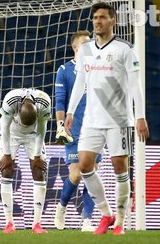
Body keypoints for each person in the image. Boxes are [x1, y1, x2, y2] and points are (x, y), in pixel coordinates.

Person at [65, 2, 149, 235]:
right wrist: (70, 111)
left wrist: (140, 117)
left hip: (118, 120)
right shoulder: (86, 49)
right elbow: (80, 82)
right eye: (95, 18)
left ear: (113, 21)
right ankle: (106, 213)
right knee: (84, 165)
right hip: (92, 119)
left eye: (102, 17)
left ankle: (120, 222)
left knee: (119, 167)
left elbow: (136, 86)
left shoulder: (126, 49)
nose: (97, 21)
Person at [54, 30, 102, 232]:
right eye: (86, 43)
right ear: (76, 48)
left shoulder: (98, 69)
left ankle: (87, 221)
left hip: (95, 128)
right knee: (76, 174)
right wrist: (60, 127)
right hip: (73, 130)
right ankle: (61, 207)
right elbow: (60, 101)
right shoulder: (65, 70)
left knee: (92, 173)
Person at [0, 88, 51, 234]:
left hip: (34, 136)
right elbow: (4, 127)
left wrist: (37, 156)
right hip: (11, 134)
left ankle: (37, 225)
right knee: (6, 170)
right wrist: (7, 155)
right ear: (18, 111)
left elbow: (42, 129)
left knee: (39, 171)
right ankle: (9, 223)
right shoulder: (10, 100)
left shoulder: (44, 102)